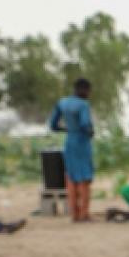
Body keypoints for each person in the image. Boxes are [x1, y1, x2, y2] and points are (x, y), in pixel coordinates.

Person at [49, 78, 95, 222]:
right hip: (82, 143)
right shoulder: (83, 105)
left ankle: (74, 214)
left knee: (71, 177)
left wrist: (67, 129)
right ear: (84, 90)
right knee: (85, 178)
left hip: (69, 142)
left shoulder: (62, 103)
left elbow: (53, 125)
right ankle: (84, 213)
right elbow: (85, 124)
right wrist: (91, 132)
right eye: (88, 91)